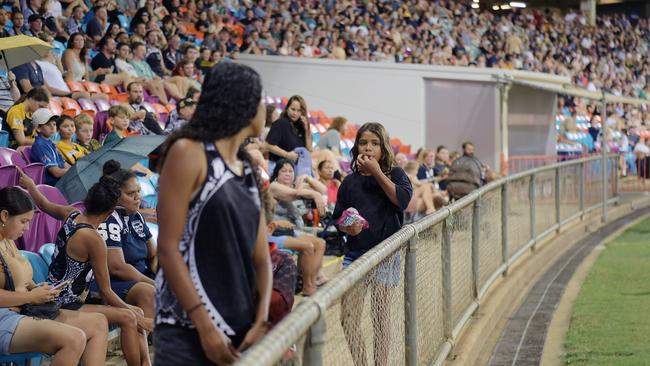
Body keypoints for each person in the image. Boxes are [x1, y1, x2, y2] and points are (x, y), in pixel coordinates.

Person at [155, 63, 272, 365]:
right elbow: (167, 248)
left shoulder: (247, 169)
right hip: (187, 330)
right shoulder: (188, 152)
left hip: (239, 327)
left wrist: (262, 316)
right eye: (262, 99)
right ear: (242, 102)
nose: (266, 108)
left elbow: (261, 256)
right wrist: (204, 324)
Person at [21, 172, 152, 366]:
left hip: (55, 293)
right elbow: (106, 292)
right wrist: (137, 319)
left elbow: (43, 204)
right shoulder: (94, 240)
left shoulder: (71, 214)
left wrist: (31, 185)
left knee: (136, 314)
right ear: (109, 213)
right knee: (129, 317)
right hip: (64, 301)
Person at [0, 186, 109, 366]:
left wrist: (37, 289)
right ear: (4, 216)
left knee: (98, 322)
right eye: (23, 221)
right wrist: (31, 297)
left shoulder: (8, 241)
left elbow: (22, 280)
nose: (27, 228)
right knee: (73, 339)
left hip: (23, 308)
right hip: (6, 315)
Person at [334, 122, 412, 366]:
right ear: (356, 146)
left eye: (375, 143)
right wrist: (348, 227)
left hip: (385, 254)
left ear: (383, 148)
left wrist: (377, 172)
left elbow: (402, 201)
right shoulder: (349, 182)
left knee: (380, 317)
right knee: (348, 317)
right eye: (363, 143)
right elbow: (338, 218)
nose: (368, 148)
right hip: (355, 254)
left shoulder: (395, 173)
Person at [94, 161, 155, 320]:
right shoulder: (108, 220)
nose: (138, 198)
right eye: (130, 193)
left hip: (140, 276)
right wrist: (154, 283)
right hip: (111, 283)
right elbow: (117, 268)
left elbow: (153, 253)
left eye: (139, 191)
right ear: (115, 195)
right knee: (148, 292)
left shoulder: (137, 216)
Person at [265, 95, 312, 164]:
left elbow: (309, 149)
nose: (295, 113)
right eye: (293, 109)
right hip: (280, 165)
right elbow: (268, 145)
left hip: (297, 166)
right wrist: (287, 155)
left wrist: (307, 130)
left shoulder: (301, 127)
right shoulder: (281, 123)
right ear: (287, 108)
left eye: (299, 111)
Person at [29, 109, 70, 186]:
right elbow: (56, 173)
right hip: (53, 185)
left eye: (54, 124)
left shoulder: (50, 143)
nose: (52, 127)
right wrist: (71, 171)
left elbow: (64, 163)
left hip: (62, 181)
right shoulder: (40, 145)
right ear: (38, 128)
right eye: (48, 124)